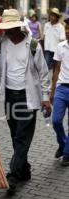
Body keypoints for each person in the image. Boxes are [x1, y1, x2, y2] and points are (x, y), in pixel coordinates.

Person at [0, 9, 51, 194]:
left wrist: (46, 98)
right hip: (9, 95)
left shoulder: (33, 45)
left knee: (21, 137)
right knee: (15, 134)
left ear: (19, 26)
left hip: (27, 97)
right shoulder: (1, 45)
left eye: (10, 27)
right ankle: (24, 169)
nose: (7, 31)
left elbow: (43, 73)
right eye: (5, 28)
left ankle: (13, 176)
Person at [50, 18, 69, 166]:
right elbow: (56, 69)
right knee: (56, 121)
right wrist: (52, 90)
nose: (67, 31)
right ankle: (63, 144)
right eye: (67, 28)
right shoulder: (61, 46)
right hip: (61, 88)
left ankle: (67, 153)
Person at [43, 8, 66, 73]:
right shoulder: (46, 25)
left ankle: (54, 81)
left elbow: (62, 39)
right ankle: (46, 82)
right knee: (46, 67)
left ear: (57, 17)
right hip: (47, 49)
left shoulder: (60, 27)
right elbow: (44, 36)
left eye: (53, 15)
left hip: (56, 51)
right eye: (51, 15)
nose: (51, 17)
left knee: (56, 69)